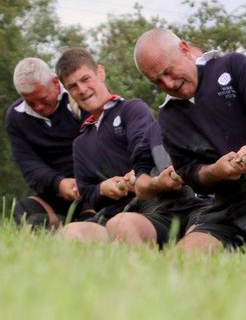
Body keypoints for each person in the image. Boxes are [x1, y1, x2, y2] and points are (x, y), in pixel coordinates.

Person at [133, 28, 246, 261]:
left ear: (184, 49)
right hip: (224, 205)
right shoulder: (168, 117)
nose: (168, 83)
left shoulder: (233, 66)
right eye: (157, 81)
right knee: (181, 260)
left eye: (169, 72)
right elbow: (190, 173)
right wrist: (215, 171)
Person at [55, 48, 208, 246]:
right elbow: (88, 195)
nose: (82, 89)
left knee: (123, 226)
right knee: (70, 232)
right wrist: (103, 188)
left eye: (85, 79)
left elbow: (145, 156)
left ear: (100, 73)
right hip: (111, 214)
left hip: (157, 205)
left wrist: (133, 178)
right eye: (73, 86)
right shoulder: (80, 143)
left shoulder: (132, 109)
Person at [5, 57, 86, 227]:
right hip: (53, 193)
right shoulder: (15, 117)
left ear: (56, 83)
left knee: (90, 222)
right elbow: (28, 164)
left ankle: (77, 224)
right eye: (30, 102)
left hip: (92, 189)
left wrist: (85, 183)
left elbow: (102, 145)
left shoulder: (80, 99)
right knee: (24, 215)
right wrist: (58, 183)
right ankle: (59, 224)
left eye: (42, 98)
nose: (38, 107)